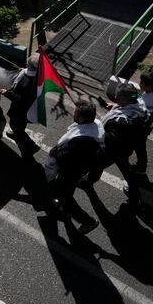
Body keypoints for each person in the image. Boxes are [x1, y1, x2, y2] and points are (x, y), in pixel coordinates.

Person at [45, 100, 103, 234]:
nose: (73, 113)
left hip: (71, 171)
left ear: (81, 118)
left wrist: (55, 153)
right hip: (78, 169)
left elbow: (66, 157)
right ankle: (64, 209)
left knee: (64, 195)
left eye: (75, 112)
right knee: (66, 192)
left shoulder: (81, 140)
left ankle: (87, 221)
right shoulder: (93, 127)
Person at [94, 82, 150, 206]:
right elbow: (123, 107)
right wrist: (113, 106)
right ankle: (134, 194)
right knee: (126, 169)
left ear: (125, 100)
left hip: (115, 149)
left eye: (118, 98)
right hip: (127, 147)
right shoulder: (139, 104)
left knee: (98, 163)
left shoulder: (121, 121)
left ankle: (89, 182)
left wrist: (95, 127)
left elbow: (108, 139)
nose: (115, 99)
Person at [2, 54, 41, 157]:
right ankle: (18, 134)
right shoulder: (38, 76)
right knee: (21, 125)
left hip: (19, 110)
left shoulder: (26, 81)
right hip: (28, 108)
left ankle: (31, 147)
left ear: (29, 65)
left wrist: (6, 92)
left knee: (16, 126)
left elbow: (18, 98)